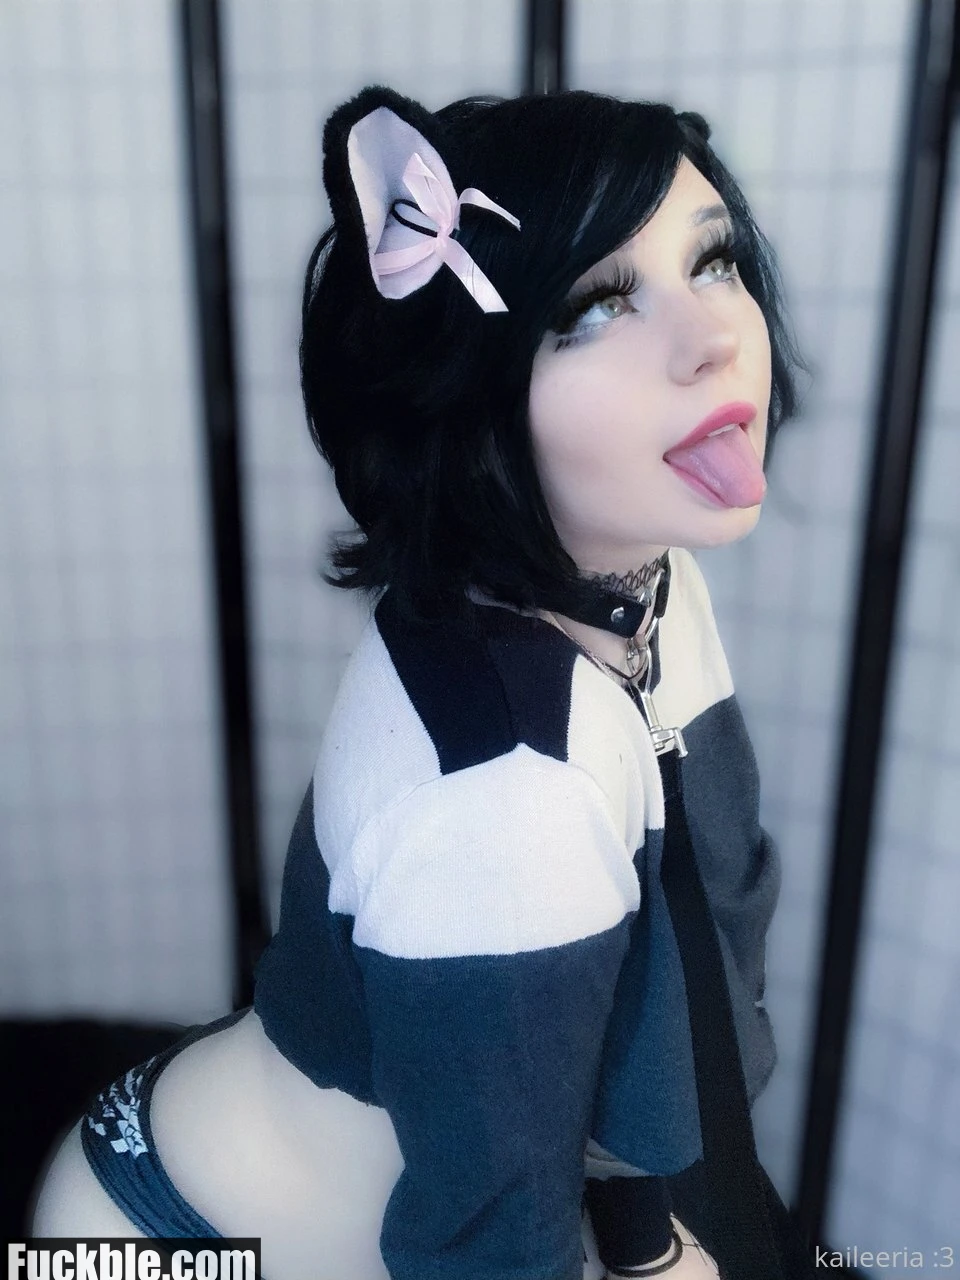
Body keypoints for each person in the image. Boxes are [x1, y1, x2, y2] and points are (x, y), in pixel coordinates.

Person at [30, 83, 808, 1280]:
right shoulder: (501, 787)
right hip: (169, 1233)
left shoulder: (655, 588)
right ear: (466, 383)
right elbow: (493, 1221)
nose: (713, 334)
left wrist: (649, 1239)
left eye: (713, 262)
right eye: (596, 305)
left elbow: (672, 967)